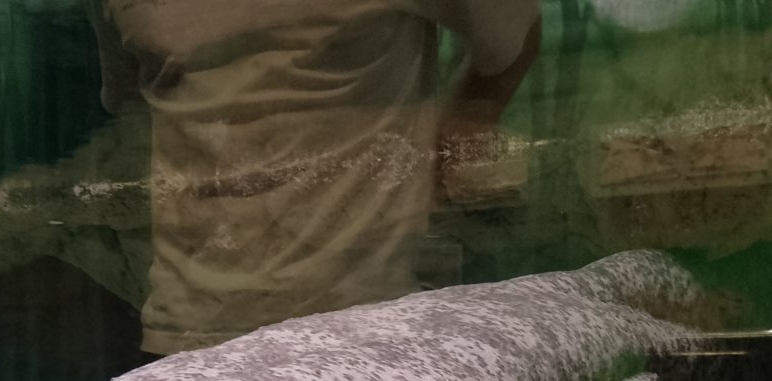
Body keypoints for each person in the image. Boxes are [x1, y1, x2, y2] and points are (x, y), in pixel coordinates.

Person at [90, 0, 542, 357]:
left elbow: (514, 35)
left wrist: (459, 129)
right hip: (182, 335)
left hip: (363, 331)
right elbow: (135, 104)